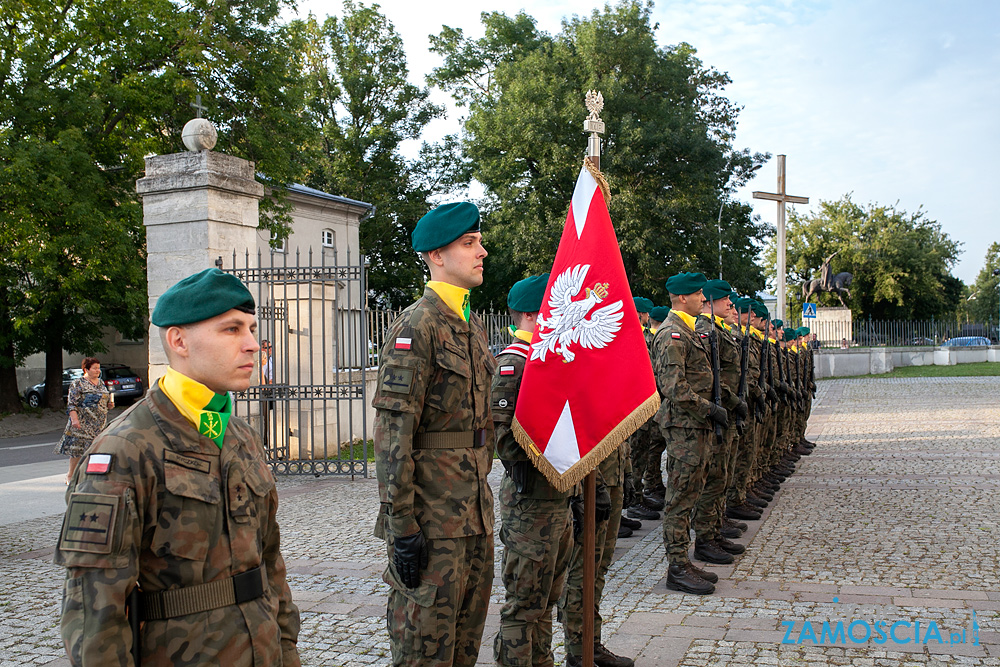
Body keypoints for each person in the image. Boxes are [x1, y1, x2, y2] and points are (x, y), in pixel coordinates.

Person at [54, 267, 300, 665]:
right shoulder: (124, 450)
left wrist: (287, 651)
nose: (253, 344)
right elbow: (94, 615)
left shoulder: (239, 435)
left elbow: (269, 563)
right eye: (232, 330)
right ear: (179, 340)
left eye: (251, 329)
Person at [372, 201, 495, 667]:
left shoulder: (472, 326)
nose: (481, 252)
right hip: (432, 522)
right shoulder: (416, 327)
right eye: (470, 244)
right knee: (423, 650)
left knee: (465, 646)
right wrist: (401, 525)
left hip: (474, 515)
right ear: (437, 256)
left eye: (478, 242)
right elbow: (392, 434)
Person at [492, 274, 575, 667]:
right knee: (524, 604)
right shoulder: (514, 363)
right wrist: (544, 457)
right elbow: (503, 436)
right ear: (530, 313)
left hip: (558, 499)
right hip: (530, 503)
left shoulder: (548, 360)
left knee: (547, 599)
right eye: (551, 309)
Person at [652, 272, 725, 595]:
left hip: (695, 426)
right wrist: (708, 409)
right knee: (680, 498)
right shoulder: (672, 334)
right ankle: (677, 567)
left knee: (692, 492)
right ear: (682, 298)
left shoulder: (687, 331)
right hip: (684, 426)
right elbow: (673, 388)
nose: (702, 300)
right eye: (697, 294)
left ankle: (684, 558)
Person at [54, 357, 114, 484]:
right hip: (82, 423)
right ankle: (70, 475)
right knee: (77, 450)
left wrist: (109, 404)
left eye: (99, 368)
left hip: (98, 423)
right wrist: (75, 420)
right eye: (95, 368)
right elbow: (71, 404)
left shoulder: (101, 383)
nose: (98, 370)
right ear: (86, 369)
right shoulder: (78, 383)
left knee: (96, 450)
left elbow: (103, 400)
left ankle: (91, 475)